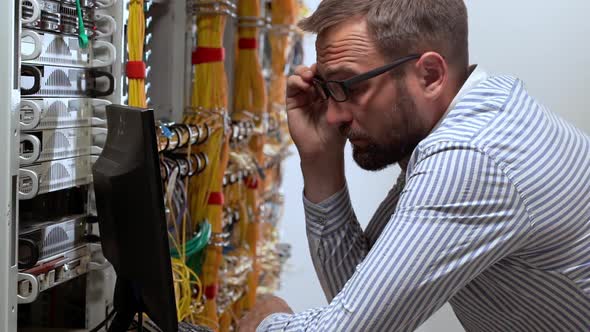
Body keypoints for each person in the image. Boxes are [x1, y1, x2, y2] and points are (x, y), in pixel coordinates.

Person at [239, 0, 590, 331]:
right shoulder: (480, 112)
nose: (333, 115)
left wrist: (264, 321)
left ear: (431, 75)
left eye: (350, 86)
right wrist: (319, 161)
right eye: (327, 89)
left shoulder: (472, 156)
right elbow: (362, 292)